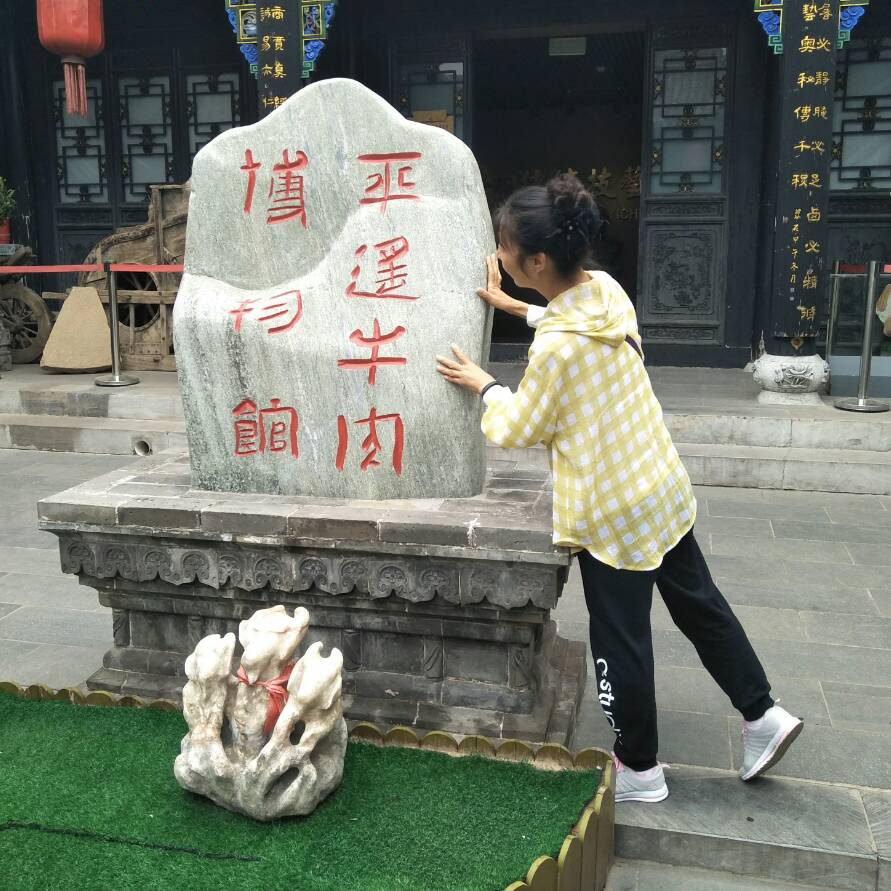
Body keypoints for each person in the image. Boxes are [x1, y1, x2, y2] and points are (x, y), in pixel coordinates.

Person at [435, 174, 803, 803]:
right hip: (658, 486)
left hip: (612, 513)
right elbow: (569, 324)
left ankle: (639, 769)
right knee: (701, 607)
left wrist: (484, 385)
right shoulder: (606, 292)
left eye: (504, 247)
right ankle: (763, 714)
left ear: (538, 261)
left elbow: (520, 427)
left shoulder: (556, 351)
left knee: (620, 640)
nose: (498, 256)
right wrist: (516, 308)